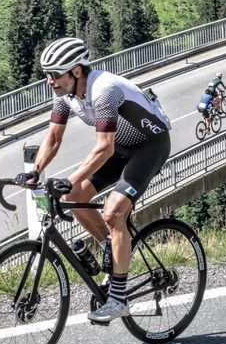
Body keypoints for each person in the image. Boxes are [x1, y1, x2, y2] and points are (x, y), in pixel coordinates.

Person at [27, 37, 172, 324]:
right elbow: (53, 138)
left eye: (54, 75)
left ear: (76, 72)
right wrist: (35, 170)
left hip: (150, 146)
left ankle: (118, 299)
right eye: (47, 75)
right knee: (72, 198)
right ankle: (110, 244)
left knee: (114, 211)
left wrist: (68, 178)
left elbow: (104, 146)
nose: (49, 82)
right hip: (121, 148)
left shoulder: (104, 90)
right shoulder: (64, 95)